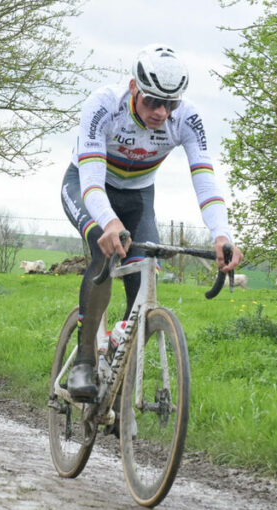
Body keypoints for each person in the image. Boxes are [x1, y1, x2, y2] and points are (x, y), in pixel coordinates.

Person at [60, 43, 244, 401]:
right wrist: (109, 223)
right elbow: (93, 182)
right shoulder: (103, 105)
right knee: (105, 252)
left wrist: (222, 233)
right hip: (88, 187)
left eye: (170, 104)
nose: (162, 112)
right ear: (133, 89)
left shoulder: (187, 118)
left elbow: (204, 178)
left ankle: (118, 355)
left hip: (138, 197)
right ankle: (83, 360)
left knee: (144, 271)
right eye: (152, 102)